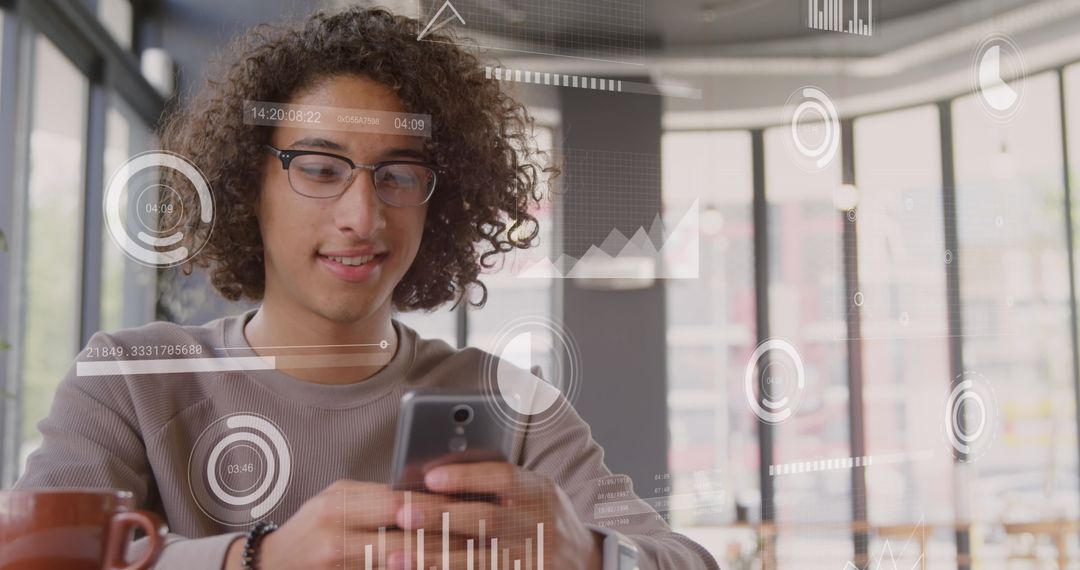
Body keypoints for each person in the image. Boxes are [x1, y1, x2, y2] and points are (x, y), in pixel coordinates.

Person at [15, 7, 719, 570]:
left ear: (438, 202)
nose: (363, 216)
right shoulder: (134, 383)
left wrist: (591, 555)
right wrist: (252, 560)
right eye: (320, 169)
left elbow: (686, 562)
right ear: (247, 186)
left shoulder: (511, 407)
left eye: (398, 175)